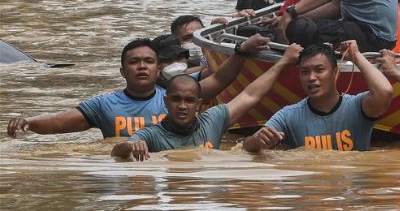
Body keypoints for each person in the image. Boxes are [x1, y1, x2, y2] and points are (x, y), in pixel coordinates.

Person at [6, 35, 269, 139]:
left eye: (148, 62)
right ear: (123, 71)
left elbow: (222, 80)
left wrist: (240, 51)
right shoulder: (104, 105)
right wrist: (27, 122)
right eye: (134, 62)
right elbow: (60, 122)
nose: (141, 67)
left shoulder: (177, 99)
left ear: (158, 69)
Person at [111, 44, 303, 160]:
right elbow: (116, 152)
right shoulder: (151, 134)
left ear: (199, 104)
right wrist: (128, 147)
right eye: (176, 100)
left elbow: (250, 95)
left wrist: (282, 62)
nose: (183, 106)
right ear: (166, 102)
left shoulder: (213, 119)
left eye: (189, 100)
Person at [242, 41, 393, 152]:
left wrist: (356, 56)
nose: (311, 78)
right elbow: (245, 147)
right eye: (305, 72)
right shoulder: (289, 115)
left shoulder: (357, 106)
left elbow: (385, 92)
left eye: (319, 70)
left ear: (335, 73)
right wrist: (257, 140)